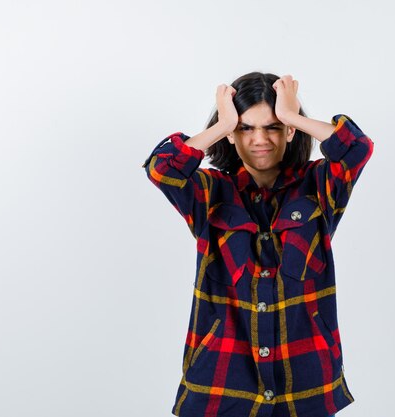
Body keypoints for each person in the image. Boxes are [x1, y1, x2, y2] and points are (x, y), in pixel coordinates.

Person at [142, 72, 374, 417]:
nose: (260, 139)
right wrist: (222, 125)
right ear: (232, 135)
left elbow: (357, 147)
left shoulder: (319, 185)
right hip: (222, 378)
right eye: (246, 128)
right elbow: (162, 168)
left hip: (304, 378)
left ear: (290, 132)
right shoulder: (209, 193)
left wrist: (293, 114)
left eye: (273, 126)